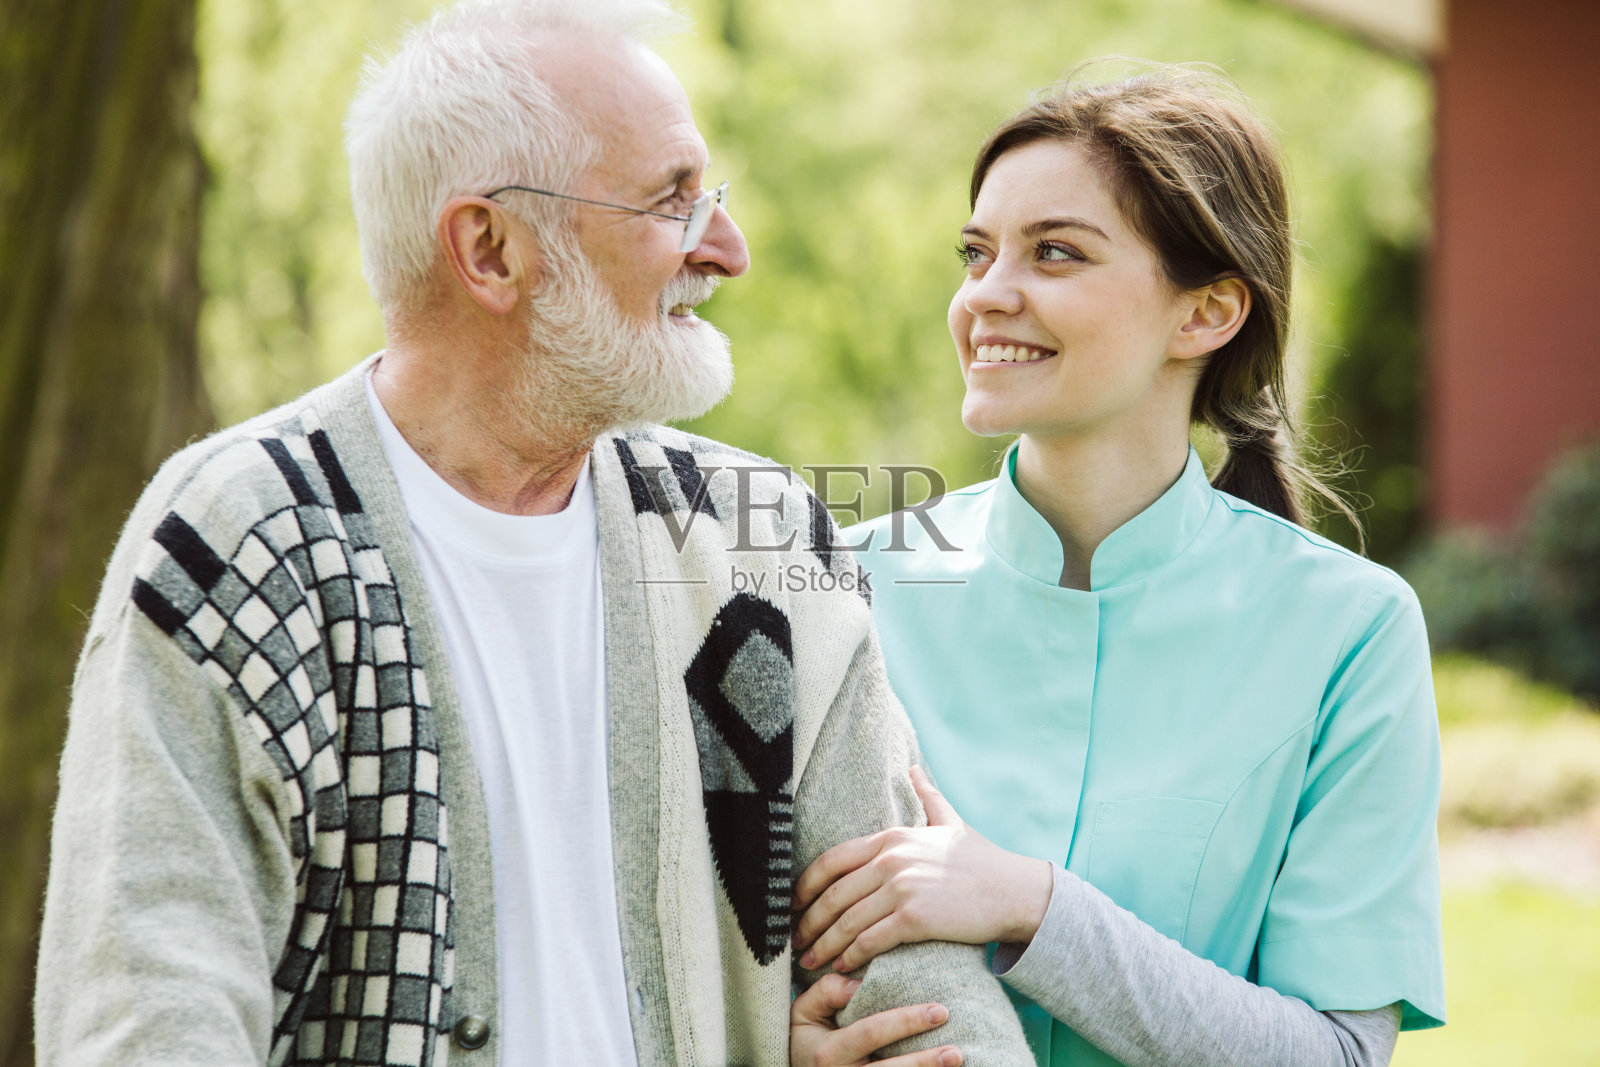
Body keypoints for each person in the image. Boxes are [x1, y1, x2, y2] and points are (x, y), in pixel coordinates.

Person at [32, 2, 1033, 1065]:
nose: (730, 249)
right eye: (671, 201)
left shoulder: (764, 541)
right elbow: (148, 1008)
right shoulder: (241, 545)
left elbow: (906, 963)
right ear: (490, 248)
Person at [790, 64, 1446, 1067]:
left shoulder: (1348, 628)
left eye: (1054, 253)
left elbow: (1337, 1053)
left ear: (1207, 313)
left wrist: (1030, 904)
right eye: (975, 253)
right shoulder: (851, 586)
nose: (986, 295)